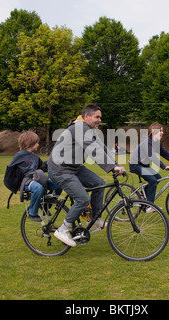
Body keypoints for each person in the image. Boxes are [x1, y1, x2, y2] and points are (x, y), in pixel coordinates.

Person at [48, 104, 125, 247]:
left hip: (73, 167)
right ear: (86, 116)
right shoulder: (79, 128)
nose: (99, 120)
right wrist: (112, 167)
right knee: (82, 198)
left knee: (99, 184)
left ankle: (94, 219)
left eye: (100, 117)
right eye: (97, 117)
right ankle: (63, 229)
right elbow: (93, 149)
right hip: (60, 169)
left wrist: (115, 165)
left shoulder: (89, 130)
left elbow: (101, 148)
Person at [8, 131, 61, 222]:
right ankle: (32, 213)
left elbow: (42, 167)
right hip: (25, 182)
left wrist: (52, 163)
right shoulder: (19, 156)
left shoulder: (34, 157)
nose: (38, 144)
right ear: (30, 143)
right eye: (37, 142)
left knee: (58, 185)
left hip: (36, 180)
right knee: (38, 188)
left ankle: (46, 205)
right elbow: (10, 172)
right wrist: (15, 185)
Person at [129, 123, 169, 206]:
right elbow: (152, 156)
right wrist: (164, 166)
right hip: (135, 165)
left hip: (144, 165)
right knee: (153, 181)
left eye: (162, 131)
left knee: (158, 178)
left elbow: (165, 153)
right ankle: (149, 206)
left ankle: (141, 194)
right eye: (160, 131)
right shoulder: (147, 142)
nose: (162, 133)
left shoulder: (157, 143)